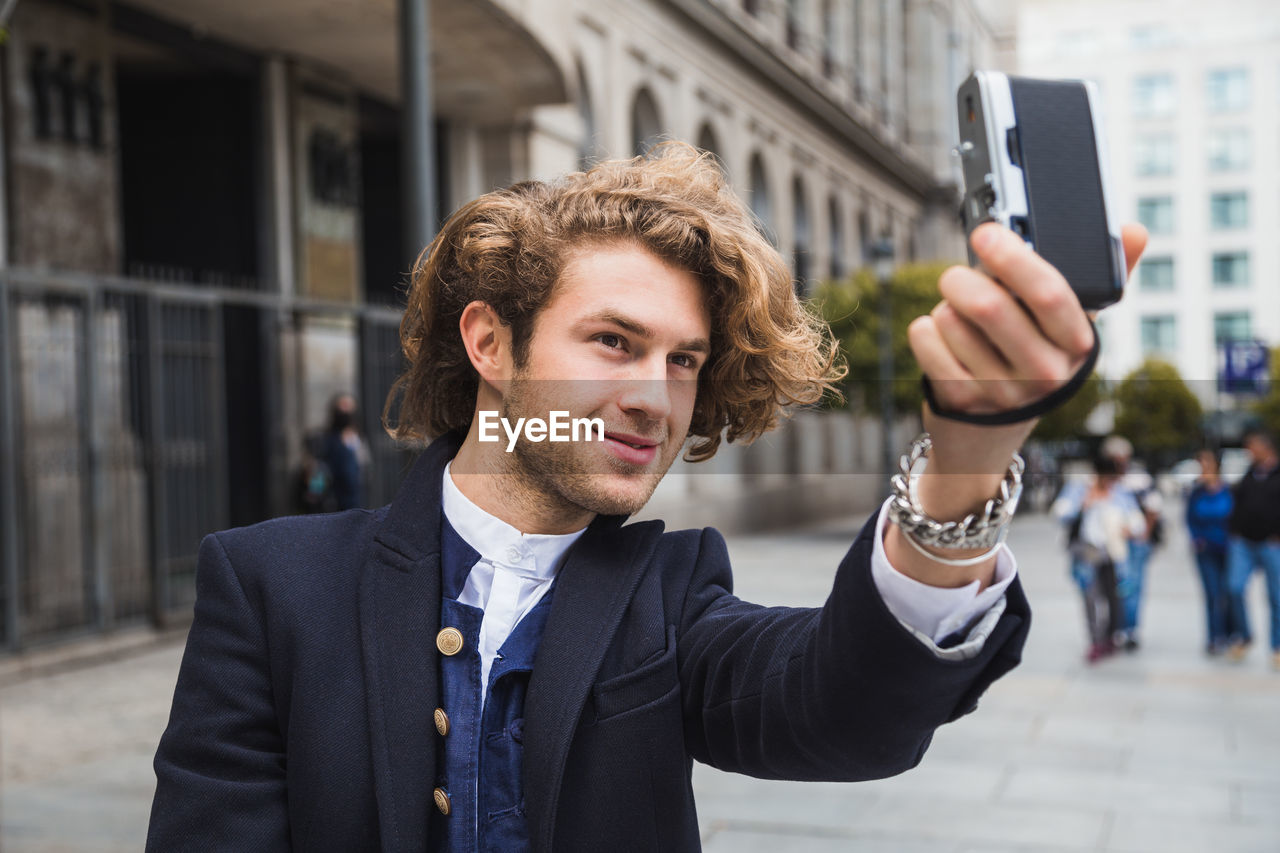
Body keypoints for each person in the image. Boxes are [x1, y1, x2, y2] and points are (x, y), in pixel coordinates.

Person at [147, 144, 1145, 851]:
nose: (652, 395)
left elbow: (843, 712)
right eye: (612, 341)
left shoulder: (671, 598)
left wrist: (963, 461)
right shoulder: (272, 582)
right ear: (490, 343)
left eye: (683, 361)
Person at [1053, 456, 1146, 662]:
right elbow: (1060, 513)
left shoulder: (1120, 493)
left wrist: (1129, 528)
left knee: (1115, 597)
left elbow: (1137, 523)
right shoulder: (1079, 489)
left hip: (1113, 552)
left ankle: (1111, 636)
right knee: (1090, 598)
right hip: (1087, 552)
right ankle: (1095, 640)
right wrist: (1083, 505)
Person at [1100, 434, 1162, 650]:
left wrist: (1143, 533)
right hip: (1111, 543)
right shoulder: (1104, 480)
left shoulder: (1138, 478)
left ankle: (1130, 629)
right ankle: (1116, 627)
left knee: (1133, 586)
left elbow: (1154, 507)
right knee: (1114, 587)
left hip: (1134, 542)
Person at [1224, 429, 1280, 668]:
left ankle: (1277, 646)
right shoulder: (1249, 474)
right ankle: (1244, 636)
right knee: (1234, 587)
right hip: (1244, 542)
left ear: (1265, 448)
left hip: (1272, 543)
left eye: (1251, 447)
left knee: (1276, 597)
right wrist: (1234, 532)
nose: (1248, 452)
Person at [1185, 448, 1233, 654]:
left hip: (1227, 548)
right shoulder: (1196, 491)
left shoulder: (1228, 490)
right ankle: (1214, 637)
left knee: (1230, 592)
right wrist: (1197, 538)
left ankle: (1230, 632)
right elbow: (1189, 518)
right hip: (1205, 549)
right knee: (1212, 594)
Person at [319, 392, 369, 510]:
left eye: (349, 406)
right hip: (336, 499)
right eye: (343, 406)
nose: (346, 410)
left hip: (357, 497)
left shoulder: (359, 436)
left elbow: (365, 463)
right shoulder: (328, 438)